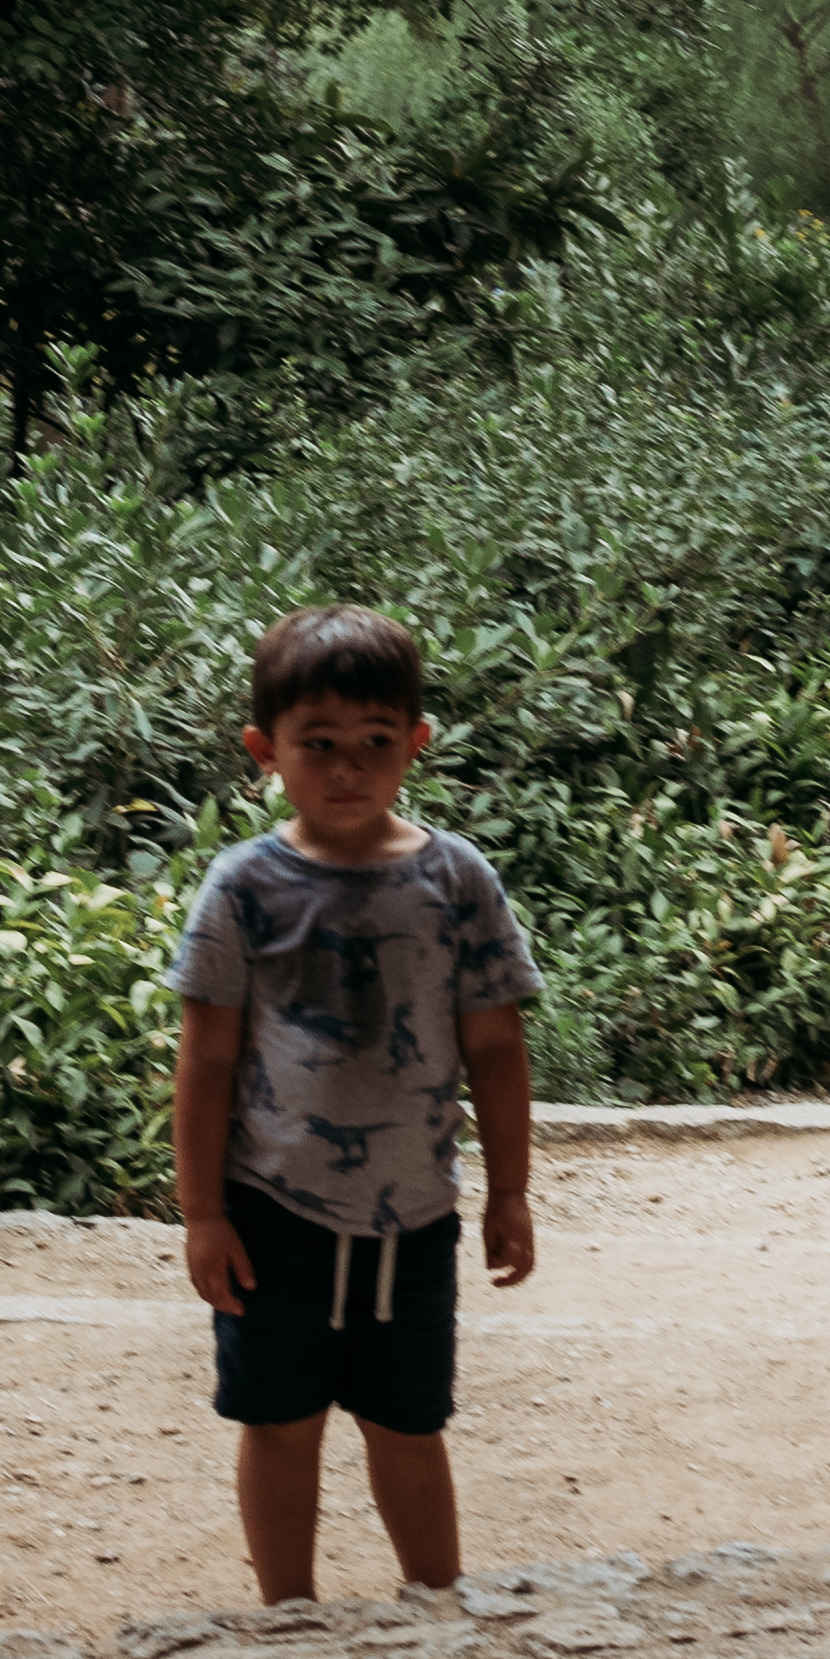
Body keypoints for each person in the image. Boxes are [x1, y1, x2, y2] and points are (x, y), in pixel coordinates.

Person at [167, 604, 538, 1606]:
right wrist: (201, 1212)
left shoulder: (456, 880)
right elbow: (203, 1057)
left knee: (408, 1424)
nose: (346, 768)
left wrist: (509, 1193)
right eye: (316, 744)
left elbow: (496, 1044)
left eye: (375, 743)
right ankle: (287, 1617)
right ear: (264, 750)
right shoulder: (242, 887)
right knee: (279, 1423)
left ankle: (438, 1610)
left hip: (413, 1217)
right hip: (270, 1215)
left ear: (416, 743)